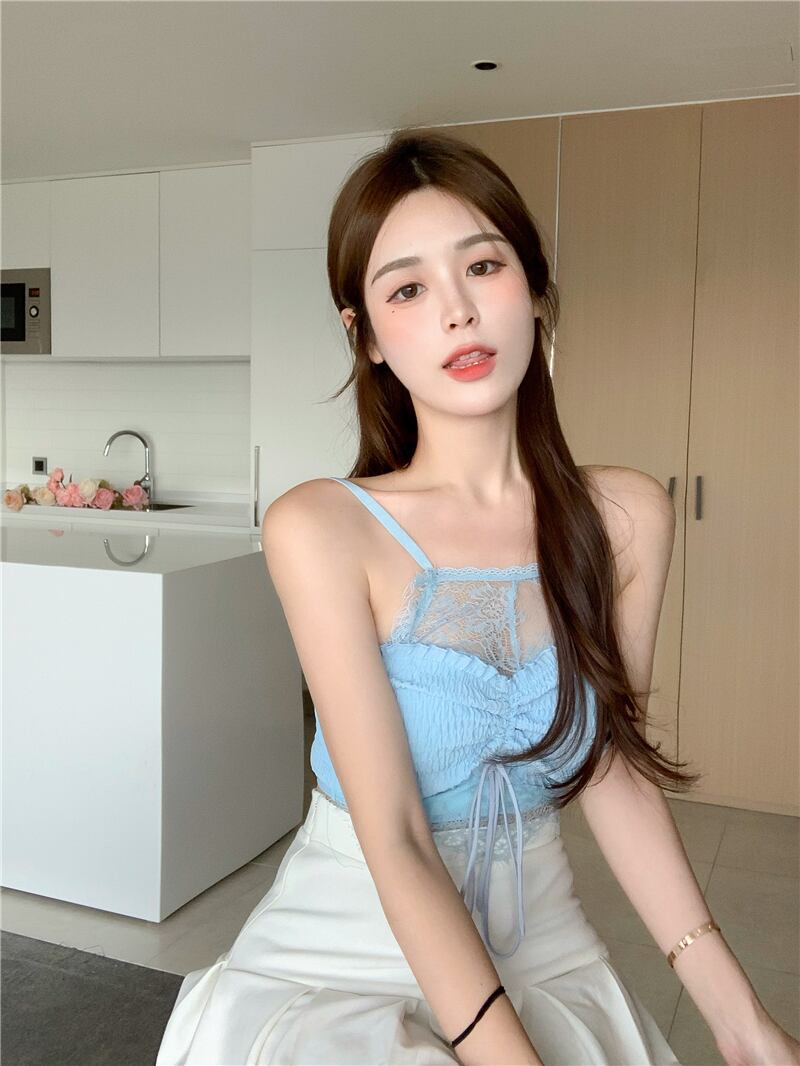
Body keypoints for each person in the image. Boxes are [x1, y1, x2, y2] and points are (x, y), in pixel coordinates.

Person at [156, 128, 800, 1065]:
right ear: (367, 338)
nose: (457, 311)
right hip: (345, 947)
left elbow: (613, 774)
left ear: (533, 291)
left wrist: (745, 1027)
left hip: (543, 940)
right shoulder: (323, 528)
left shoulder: (625, 517)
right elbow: (396, 834)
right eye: (407, 289)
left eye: (483, 266)